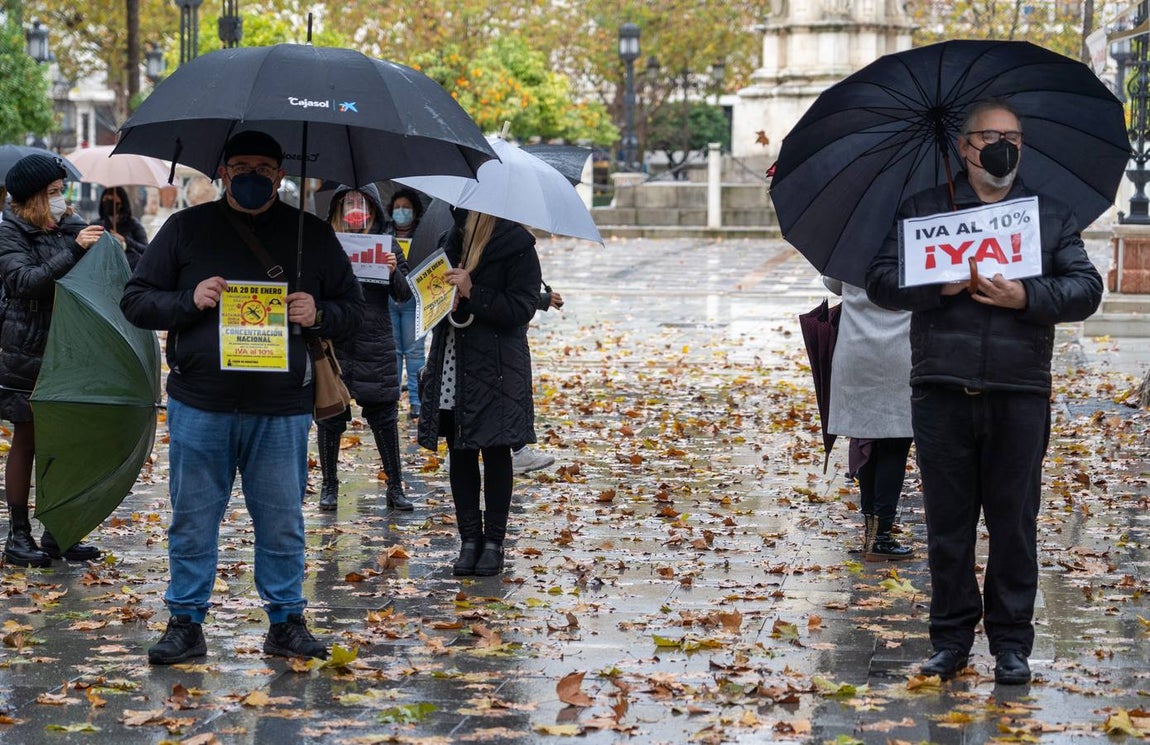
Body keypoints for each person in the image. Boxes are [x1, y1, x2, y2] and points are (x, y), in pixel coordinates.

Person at [866, 99, 1103, 685]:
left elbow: (1086, 287)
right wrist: (934, 284)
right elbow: (880, 280)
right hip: (942, 389)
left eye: (1014, 137)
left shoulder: (1048, 215)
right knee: (948, 528)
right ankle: (949, 641)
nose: (1004, 146)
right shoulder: (923, 213)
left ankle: (1011, 645)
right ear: (964, 147)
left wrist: (1028, 298)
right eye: (991, 136)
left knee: (1015, 525)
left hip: (1018, 389)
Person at [121, 130, 364, 664]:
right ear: (223, 171)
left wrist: (317, 313)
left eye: (263, 166)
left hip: (280, 407)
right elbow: (136, 301)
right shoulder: (185, 229)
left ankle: (285, 621)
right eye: (240, 165)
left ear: (281, 174)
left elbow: (356, 310)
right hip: (199, 402)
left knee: (281, 518)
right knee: (192, 517)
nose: (252, 174)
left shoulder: (312, 235)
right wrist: (190, 299)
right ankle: (185, 620)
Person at [417, 208, 541, 577]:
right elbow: (431, 299)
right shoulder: (451, 240)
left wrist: (475, 293)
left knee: (496, 450)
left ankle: (494, 543)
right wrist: (442, 299)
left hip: (498, 368)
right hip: (454, 359)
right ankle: (469, 539)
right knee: (460, 448)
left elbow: (523, 307)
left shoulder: (518, 245)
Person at [0, 154, 106, 567]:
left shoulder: (66, 226)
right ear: (34, 198)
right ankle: (18, 534)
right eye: (54, 194)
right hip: (27, 350)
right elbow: (25, 283)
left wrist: (96, 239)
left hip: (69, 348)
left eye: (62, 192)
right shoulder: (10, 232)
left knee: (63, 440)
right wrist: (74, 251)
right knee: (26, 437)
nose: (62, 200)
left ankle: (58, 531)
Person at [316, 184, 413, 512]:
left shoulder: (387, 245)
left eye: (362, 204)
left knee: (384, 416)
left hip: (375, 341)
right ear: (339, 210)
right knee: (330, 416)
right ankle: (329, 485)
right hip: (336, 342)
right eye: (349, 204)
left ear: (372, 211)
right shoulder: (326, 242)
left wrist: (392, 270)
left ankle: (395, 486)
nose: (356, 210)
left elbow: (405, 294)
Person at [823, 277, 913, 561]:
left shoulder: (854, 246)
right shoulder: (911, 249)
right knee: (895, 446)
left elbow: (833, 284)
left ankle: (871, 536)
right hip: (901, 354)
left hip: (857, 355)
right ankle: (881, 537)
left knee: (868, 441)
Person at [511, 281, 563, 475]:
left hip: (506, 336)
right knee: (508, 396)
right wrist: (543, 299)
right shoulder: (507, 252)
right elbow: (508, 296)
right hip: (502, 339)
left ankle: (519, 450)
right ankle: (519, 451)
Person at [387, 188, 426, 422]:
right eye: (397, 207)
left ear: (415, 210)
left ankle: (417, 402)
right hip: (389, 299)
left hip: (414, 299)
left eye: (406, 207)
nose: (401, 212)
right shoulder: (384, 233)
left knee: (414, 353)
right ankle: (390, 400)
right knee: (392, 353)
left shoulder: (425, 233)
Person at [96, 186, 150, 269]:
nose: (108, 202)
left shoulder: (133, 224)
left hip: (129, 269)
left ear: (121, 202)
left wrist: (125, 241)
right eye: (106, 199)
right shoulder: (97, 225)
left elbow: (146, 249)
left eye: (112, 199)